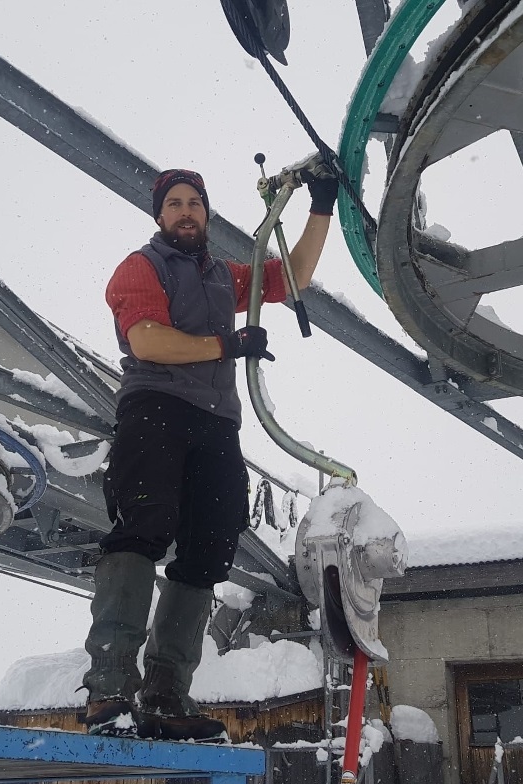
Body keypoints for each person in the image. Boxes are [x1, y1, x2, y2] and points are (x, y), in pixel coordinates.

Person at [81, 165, 338, 740]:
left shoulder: (225, 275)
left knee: (211, 544)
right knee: (142, 524)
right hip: (155, 406)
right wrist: (226, 343)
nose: (186, 211)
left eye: (194, 202)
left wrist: (321, 205)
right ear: (159, 216)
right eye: (174, 203)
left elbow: (292, 275)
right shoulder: (142, 267)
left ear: (206, 213)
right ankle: (110, 689)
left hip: (216, 422)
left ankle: (166, 696)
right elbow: (146, 338)